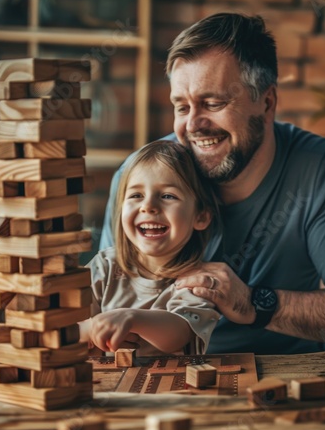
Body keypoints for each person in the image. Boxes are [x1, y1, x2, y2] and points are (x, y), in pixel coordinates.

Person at [99, 12, 325, 355]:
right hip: (156, 375)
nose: (193, 125)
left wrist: (251, 304)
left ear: (267, 102)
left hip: (281, 375)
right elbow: (109, 299)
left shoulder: (323, 170)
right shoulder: (137, 179)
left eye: (213, 103)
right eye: (181, 107)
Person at [79, 140, 220, 356]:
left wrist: (132, 319)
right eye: (136, 195)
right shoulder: (105, 266)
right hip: (106, 386)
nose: (148, 206)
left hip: (173, 387)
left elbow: (180, 331)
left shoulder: (198, 281)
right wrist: (89, 329)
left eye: (167, 196)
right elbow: (68, 326)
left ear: (200, 216)